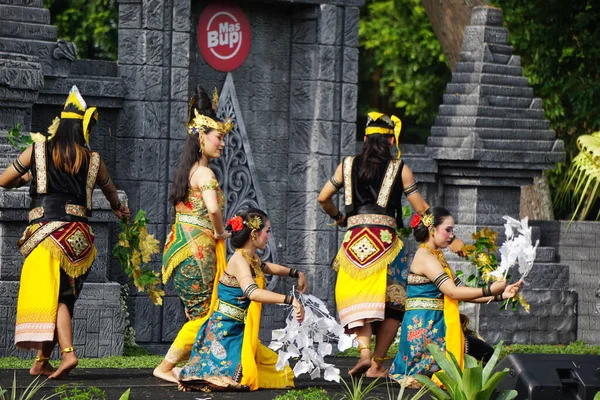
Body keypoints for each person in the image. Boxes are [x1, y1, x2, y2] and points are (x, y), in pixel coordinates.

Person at [317, 112, 465, 377]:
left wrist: (339, 217)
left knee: (360, 297)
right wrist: (451, 237)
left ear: (364, 138)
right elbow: (422, 209)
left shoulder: (346, 165)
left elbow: (323, 198)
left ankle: (363, 352)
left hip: (353, 243)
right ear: (390, 141)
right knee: (393, 303)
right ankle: (376, 364)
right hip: (386, 245)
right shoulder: (401, 169)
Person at [0, 86, 130, 379]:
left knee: (55, 297)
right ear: (82, 128)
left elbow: (4, 181)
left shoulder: (38, 150)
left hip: (45, 234)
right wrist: (119, 209)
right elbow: (110, 193)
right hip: (79, 239)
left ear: (59, 125)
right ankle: (41, 360)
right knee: (62, 295)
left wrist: (27, 176)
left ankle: (68, 354)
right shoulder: (93, 159)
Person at [175, 208, 308, 392]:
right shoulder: (239, 260)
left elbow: (266, 267)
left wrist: (296, 273)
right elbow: (252, 293)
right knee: (235, 378)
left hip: (238, 331)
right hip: (225, 333)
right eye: (267, 231)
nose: (269, 236)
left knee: (282, 372)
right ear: (254, 234)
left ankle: (194, 376)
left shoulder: (250, 257)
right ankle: (190, 376)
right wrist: (290, 299)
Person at [389, 207, 523, 387]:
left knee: (484, 356)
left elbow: (462, 291)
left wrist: (500, 295)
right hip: (427, 330)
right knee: (481, 357)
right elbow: (453, 292)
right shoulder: (426, 257)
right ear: (432, 229)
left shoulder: (436, 256)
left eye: (453, 230)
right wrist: (490, 290)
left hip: (435, 325)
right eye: (448, 229)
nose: (452, 235)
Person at [153, 86, 234, 383]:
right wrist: (220, 232)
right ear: (202, 137)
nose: (223, 143)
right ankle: (165, 367)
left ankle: (199, 367)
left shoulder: (188, 172)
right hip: (197, 249)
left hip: (182, 247)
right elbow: (213, 209)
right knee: (205, 314)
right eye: (219, 136)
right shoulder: (206, 174)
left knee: (199, 314)